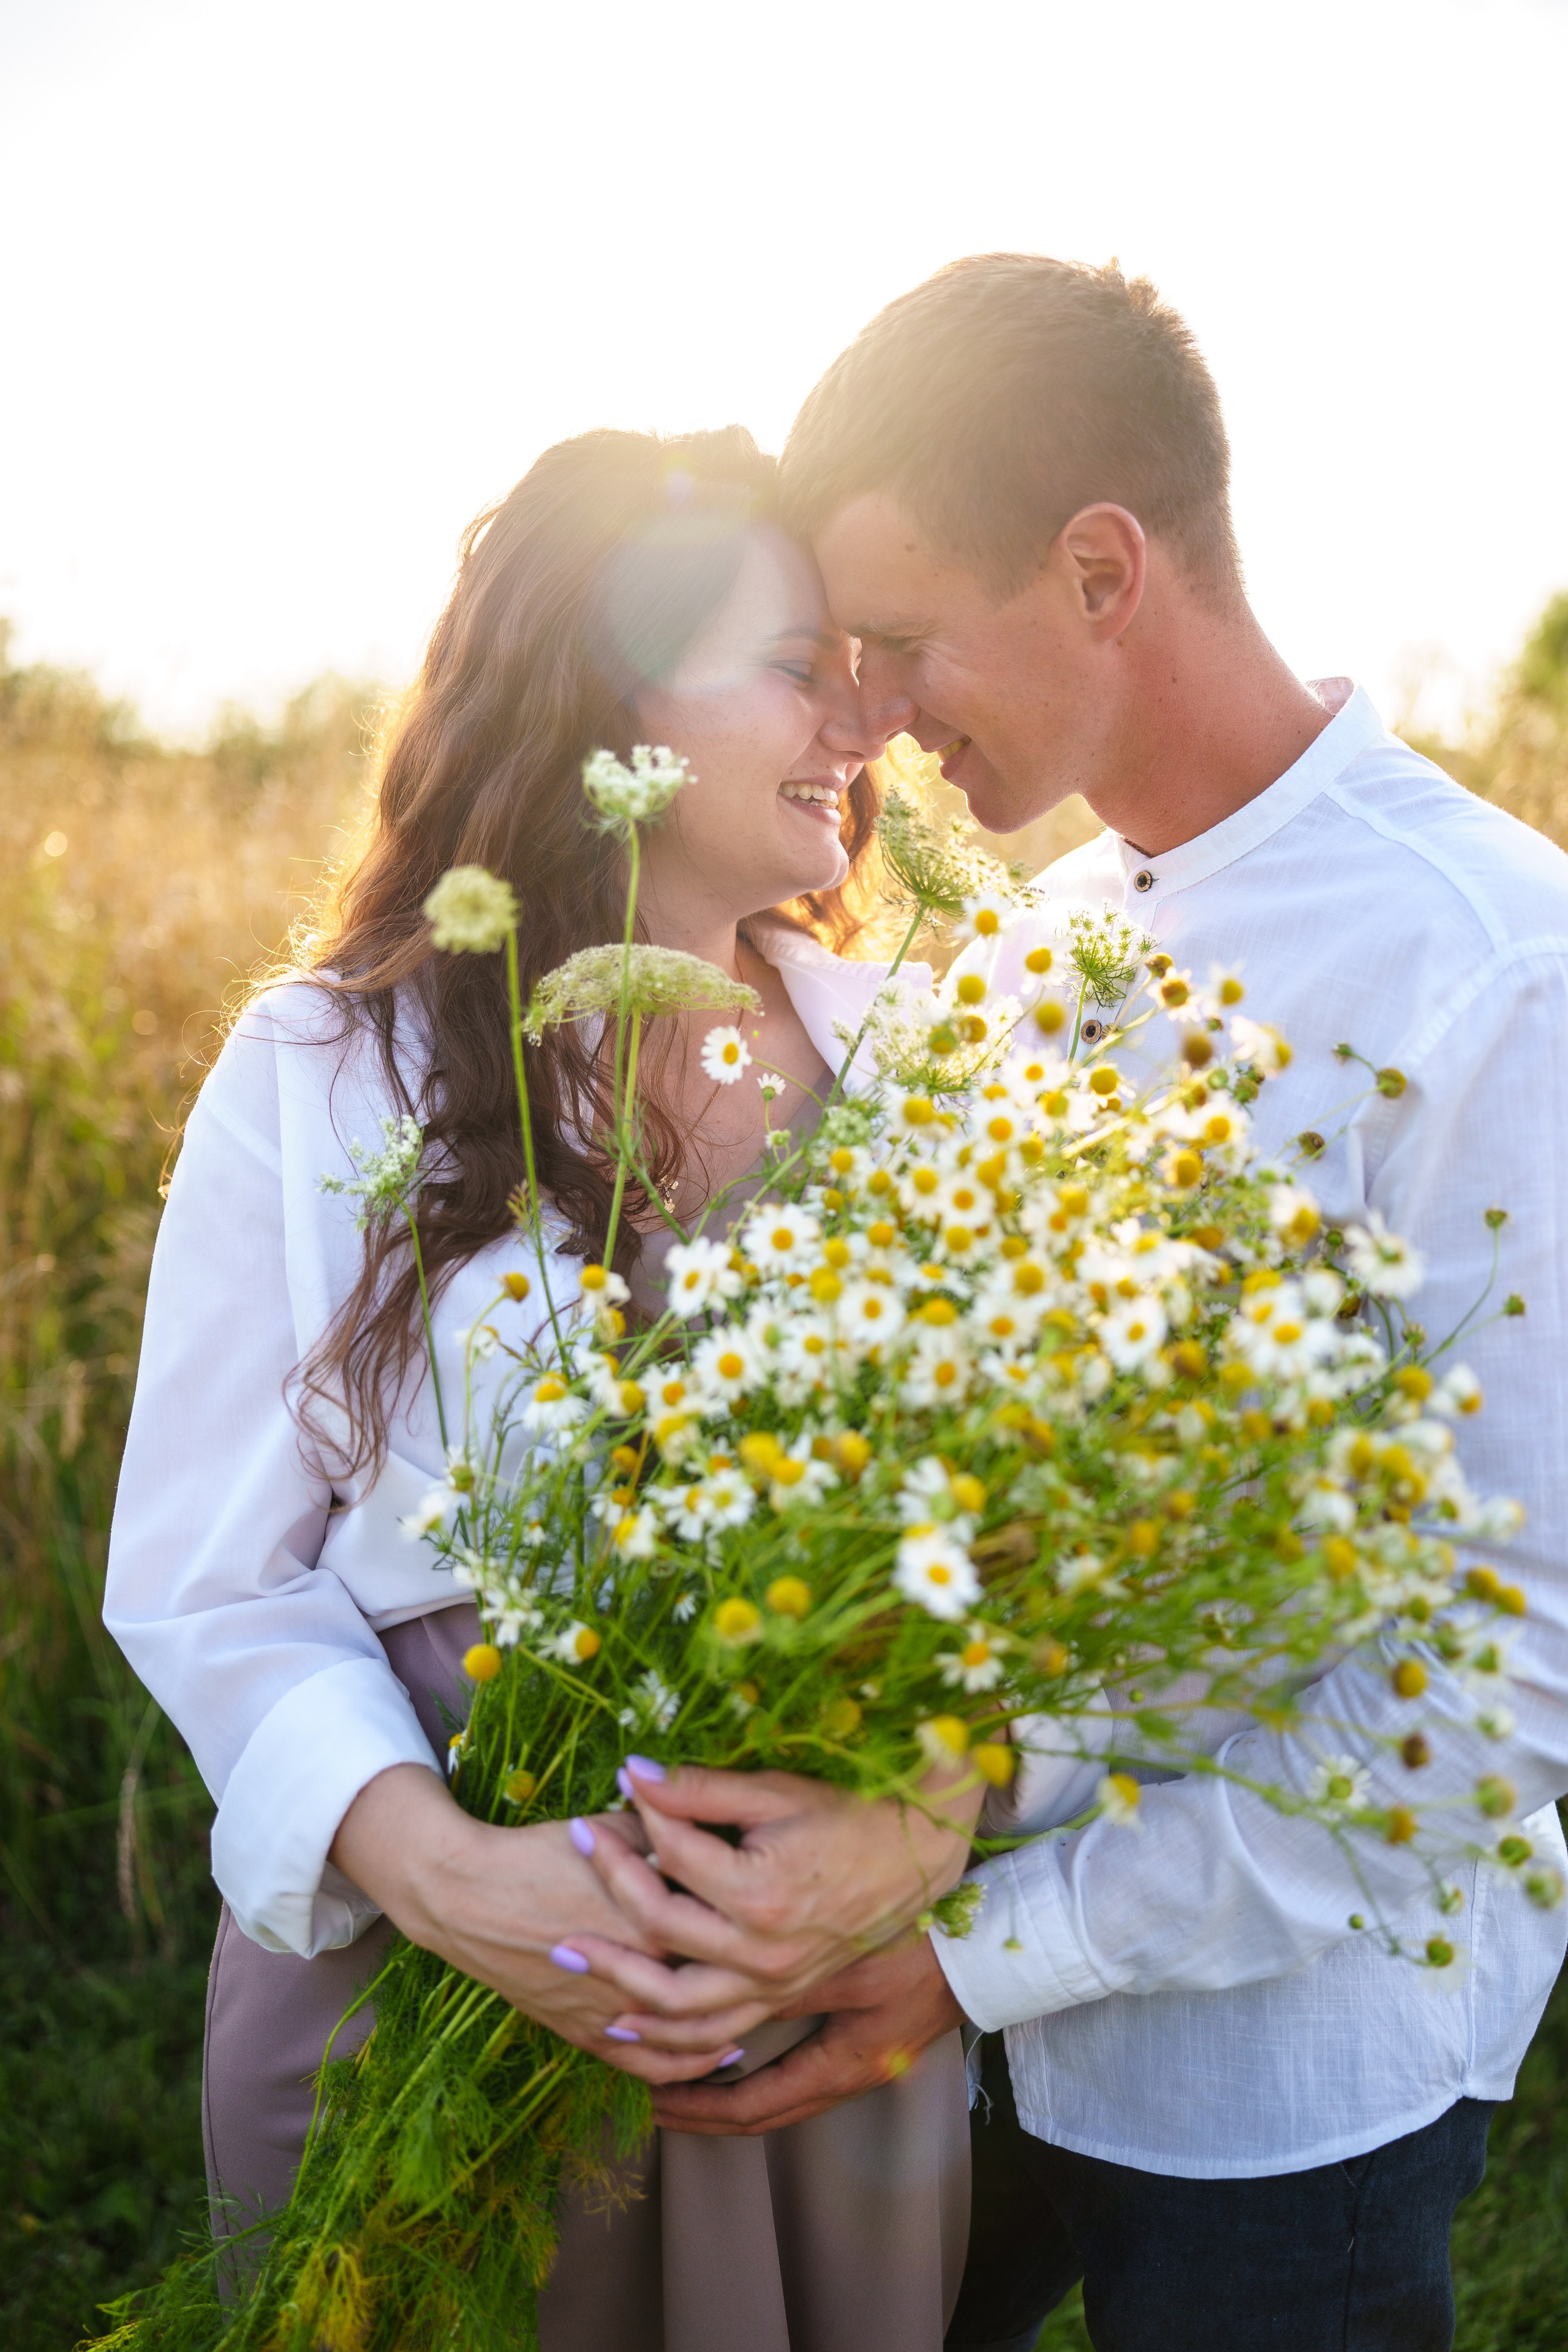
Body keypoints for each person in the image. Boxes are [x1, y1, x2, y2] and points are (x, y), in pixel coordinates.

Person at [577, 260, 1568, 2352]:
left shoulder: (1492, 970)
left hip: (1277, 2094)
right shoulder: (1030, 954)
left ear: (1105, 569)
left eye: (911, 644)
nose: (880, 719)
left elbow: (1507, 1678)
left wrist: (979, 1950)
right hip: (943, 2010)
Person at [103, 424, 972, 2352]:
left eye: (862, 665)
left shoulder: (921, 1072)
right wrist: (463, 1882)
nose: (864, 720)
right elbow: (214, 1576)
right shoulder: (330, 1063)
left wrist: (923, 1832)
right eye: (795, 666)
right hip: (426, 1950)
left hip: (802, 1992)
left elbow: (995, 1550)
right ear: (612, 703)